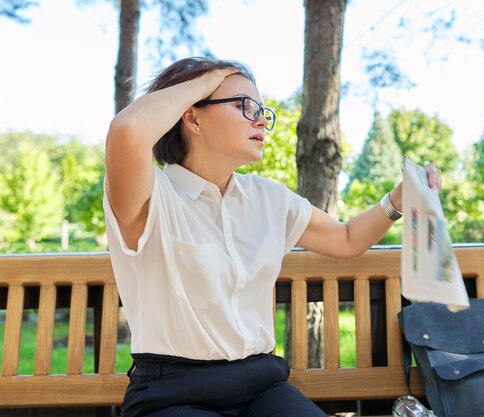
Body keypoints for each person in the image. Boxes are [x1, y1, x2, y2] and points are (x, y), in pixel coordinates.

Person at [103, 56, 442, 417]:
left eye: (262, 109)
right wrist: (212, 77)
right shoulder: (149, 195)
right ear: (192, 115)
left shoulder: (269, 198)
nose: (262, 119)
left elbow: (346, 239)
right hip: (172, 392)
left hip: (262, 385)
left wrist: (397, 201)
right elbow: (127, 131)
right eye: (245, 106)